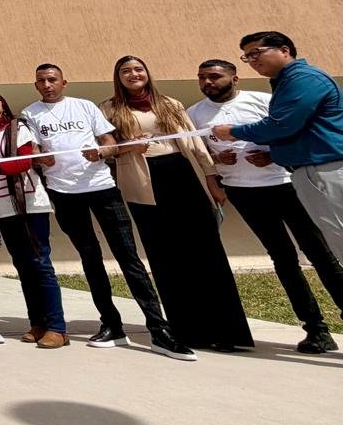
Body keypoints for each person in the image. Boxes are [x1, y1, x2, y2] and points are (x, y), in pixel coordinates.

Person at [21, 65, 192, 360]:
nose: (47, 85)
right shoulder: (30, 113)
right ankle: (111, 325)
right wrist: (41, 160)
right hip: (63, 194)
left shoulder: (84, 106)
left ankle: (159, 329)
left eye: (52, 80)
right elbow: (34, 152)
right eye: (41, 81)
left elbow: (110, 143)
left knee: (128, 257)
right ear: (36, 85)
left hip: (102, 188)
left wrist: (101, 153)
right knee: (90, 259)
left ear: (64, 82)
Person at [189, 59, 343, 354]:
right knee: (282, 259)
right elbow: (199, 150)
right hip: (243, 192)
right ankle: (316, 329)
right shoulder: (194, 113)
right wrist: (217, 160)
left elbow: (291, 130)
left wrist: (272, 155)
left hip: (286, 185)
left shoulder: (263, 100)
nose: (207, 82)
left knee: (320, 253)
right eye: (202, 77)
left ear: (234, 79)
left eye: (215, 76)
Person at [103, 56, 253, 352]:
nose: (133, 74)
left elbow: (195, 144)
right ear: (118, 77)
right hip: (144, 183)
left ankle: (227, 331)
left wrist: (211, 179)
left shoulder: (170, 103)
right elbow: (106, 148)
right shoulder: (109, 108)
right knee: (165, 256)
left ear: (147, 73)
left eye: (138, 69)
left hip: (183, 176)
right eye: (125, 71)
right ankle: (188, 330)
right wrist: (127, 147)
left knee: (206, 251)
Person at [213, 31, 343, 259]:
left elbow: (281, 125)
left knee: (338, 234)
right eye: (247, 57)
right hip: (312, 170)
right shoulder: (287, 82)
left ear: (284, 50)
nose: (252, 60)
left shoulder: (303, 79)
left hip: (324, 169)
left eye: (256, 53)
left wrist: (233, 132)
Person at [0, 89, 65, 348]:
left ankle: (57, 327)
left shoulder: (17, 127)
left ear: (3, 103)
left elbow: (24, 161)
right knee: (23, 266)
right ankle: (37, 323)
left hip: (30, 204)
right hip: (2, 208)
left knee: (41, 263)